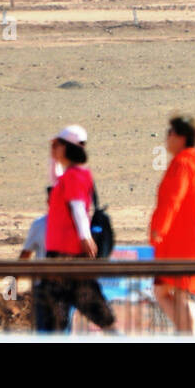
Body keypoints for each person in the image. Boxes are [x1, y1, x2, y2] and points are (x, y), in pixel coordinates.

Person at [39, 126, 116, 333]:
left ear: (68, 147)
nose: (54, 149)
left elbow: (77, 206)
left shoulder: (75, 176)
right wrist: (53, 157)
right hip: (61, 256)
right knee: (62, 315)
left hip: (68, 256)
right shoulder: (70, 176)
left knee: (89, 312)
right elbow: (55, 179)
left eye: (58, 145)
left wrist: (84, 236)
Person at [150, 115, 195, 335]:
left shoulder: (183, 163)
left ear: (181, 137)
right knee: (167, 291)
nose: (167, 138)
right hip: (194, 240)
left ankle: (189, 336)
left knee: (178, 292)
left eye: (170, 133)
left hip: (181, 242)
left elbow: (173, 198)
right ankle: (187, 333)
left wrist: (158, 228)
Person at [19, 187, 53, 331]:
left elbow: (24, 256)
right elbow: (24, 256)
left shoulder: (75, 225)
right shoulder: (39, 225)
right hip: (45, 286)